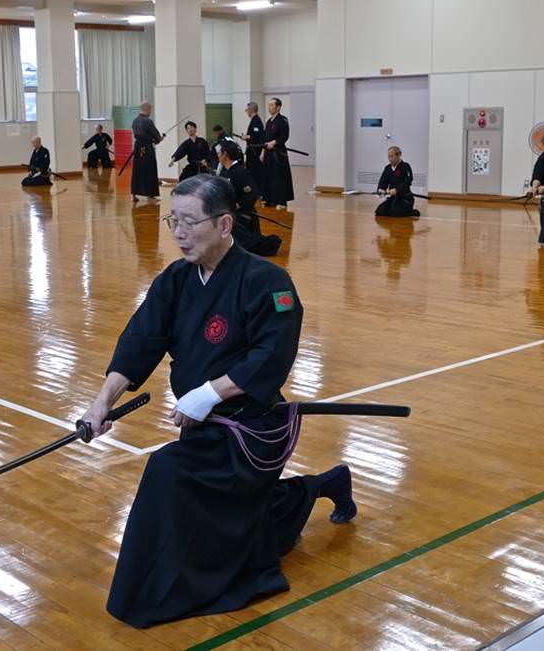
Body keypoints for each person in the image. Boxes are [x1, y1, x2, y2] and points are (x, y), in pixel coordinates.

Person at [78, 175, 353, 628]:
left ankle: (158, 591)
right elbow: (141, 339)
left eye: (189, 221)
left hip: (250, 426)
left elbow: (273, 355)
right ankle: (328, 484)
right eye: (174, 221)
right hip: (202, 425)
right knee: (252, 512)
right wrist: (101, 402)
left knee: (169, 472)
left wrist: (207, 394)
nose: (179, 232)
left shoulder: (268, 281)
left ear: (225, 224)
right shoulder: (176, 279)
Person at [218, 141, 282, 256]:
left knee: (244, 247)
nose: (217, 155)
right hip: (230, 215)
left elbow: (252, 194)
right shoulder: (226, 173)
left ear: (225, 155)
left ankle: (270, 243)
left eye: (219, 153)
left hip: (243, 217)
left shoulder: (239, 172)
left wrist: (237, 206)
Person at [261, 98, 294, 209]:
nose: (269, 107)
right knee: (268, 176)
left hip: (278, 154)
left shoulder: (283, 120)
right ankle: (269, 199)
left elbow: (285, 136)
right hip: (268, 153)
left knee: (279, 177)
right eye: (269, 105)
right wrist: (263, 152)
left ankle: (281, 201)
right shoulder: (268, 122)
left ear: (278, 107)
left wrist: (274, 142)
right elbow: (265, 139)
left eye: (271, 105)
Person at [130, 102, 163, 202]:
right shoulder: (148, 121)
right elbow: (156, 137)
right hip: (147, 148)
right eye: (150, 110)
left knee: (137, 170)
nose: (150, 112)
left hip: (137, 147)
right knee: (150, 170)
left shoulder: (135, 121)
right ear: (147, 109)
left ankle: (134, 195)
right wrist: (159, 139)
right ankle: (150, 195)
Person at [375, 146, 420, 218]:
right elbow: (383, 180)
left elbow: (408, 181)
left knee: (395, 212)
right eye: (389, 156)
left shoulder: (405, 166)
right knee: (380, 211)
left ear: (399, 155)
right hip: (393, 198)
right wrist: (381, 189)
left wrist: (397, 190)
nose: (390, 159)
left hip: (405, 198)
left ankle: (411, 212)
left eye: (392, 156)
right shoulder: (387, 168)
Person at [243, 102, 265, 187]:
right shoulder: (253, 120)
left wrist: (247, 137)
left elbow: (257, 136)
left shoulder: (256, 121)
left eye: (247, 110)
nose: (247, 112)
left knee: (255, 172)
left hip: (255, 152)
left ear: (251, 110)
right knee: (251, 171)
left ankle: (258, 191)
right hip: (251, 151)